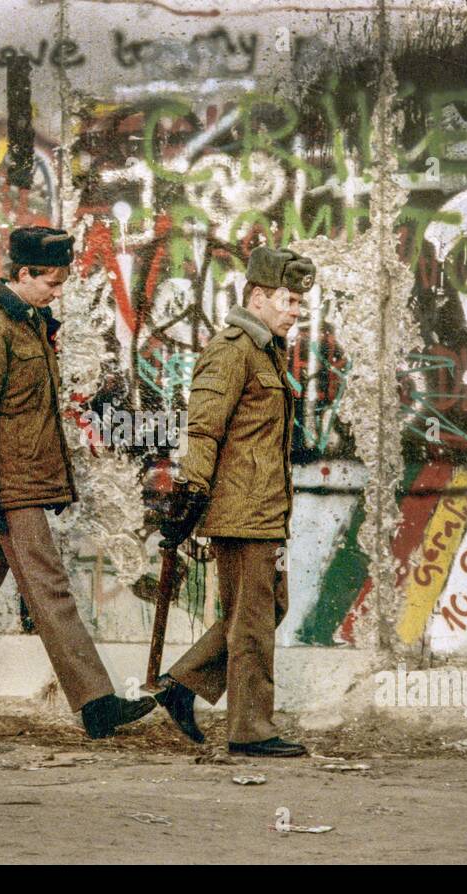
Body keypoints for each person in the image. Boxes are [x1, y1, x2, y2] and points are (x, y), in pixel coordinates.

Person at [0, 226, 156, 739]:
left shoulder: (31, 323)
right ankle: (96, 703)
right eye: (52, 282)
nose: (58, 291)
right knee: (51, 589)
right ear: (23, 275)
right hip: (7, 489)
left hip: (18, 482)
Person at [152, 246, 316, 757]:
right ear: (259, 297)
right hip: (241, 511)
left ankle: (182, 685)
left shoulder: (267, 349)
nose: (296, 311)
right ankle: (250, 729)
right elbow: (203, 427)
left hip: (265, 509)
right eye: (289, 301)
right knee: (252, 619)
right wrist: (192, 492)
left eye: (300, 303)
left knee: (270, 606)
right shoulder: (232, 349)